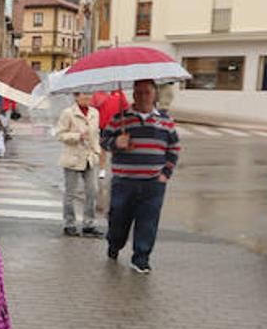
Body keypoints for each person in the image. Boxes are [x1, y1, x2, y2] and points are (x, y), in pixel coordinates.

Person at [100, 79, 181, 274]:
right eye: (138, 92)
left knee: (148, 223)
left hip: (153, 183)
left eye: (147, 92)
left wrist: (165, 174)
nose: (143, 96)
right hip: (124, 181)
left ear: (154, 95)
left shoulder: (165, 121)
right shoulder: (120, 119)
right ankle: (114, 244)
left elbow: (174, 147)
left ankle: (141, 258)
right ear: (133, 95)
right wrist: (116, 142)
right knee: (119, 219)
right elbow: (103, 141)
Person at [55, 92, 102, 237]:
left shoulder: (95, 113)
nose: (88, 98)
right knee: (71, 193)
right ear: (76, 97)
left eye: (89, 95)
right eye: (84, 95)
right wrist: (77, 136)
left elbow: (96, 134)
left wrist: (97, 150)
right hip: (73, 158)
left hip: (90, 157)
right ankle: (69, 223)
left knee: (92, 191)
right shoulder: (68, 113)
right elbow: (59, 134)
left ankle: (89, 224)